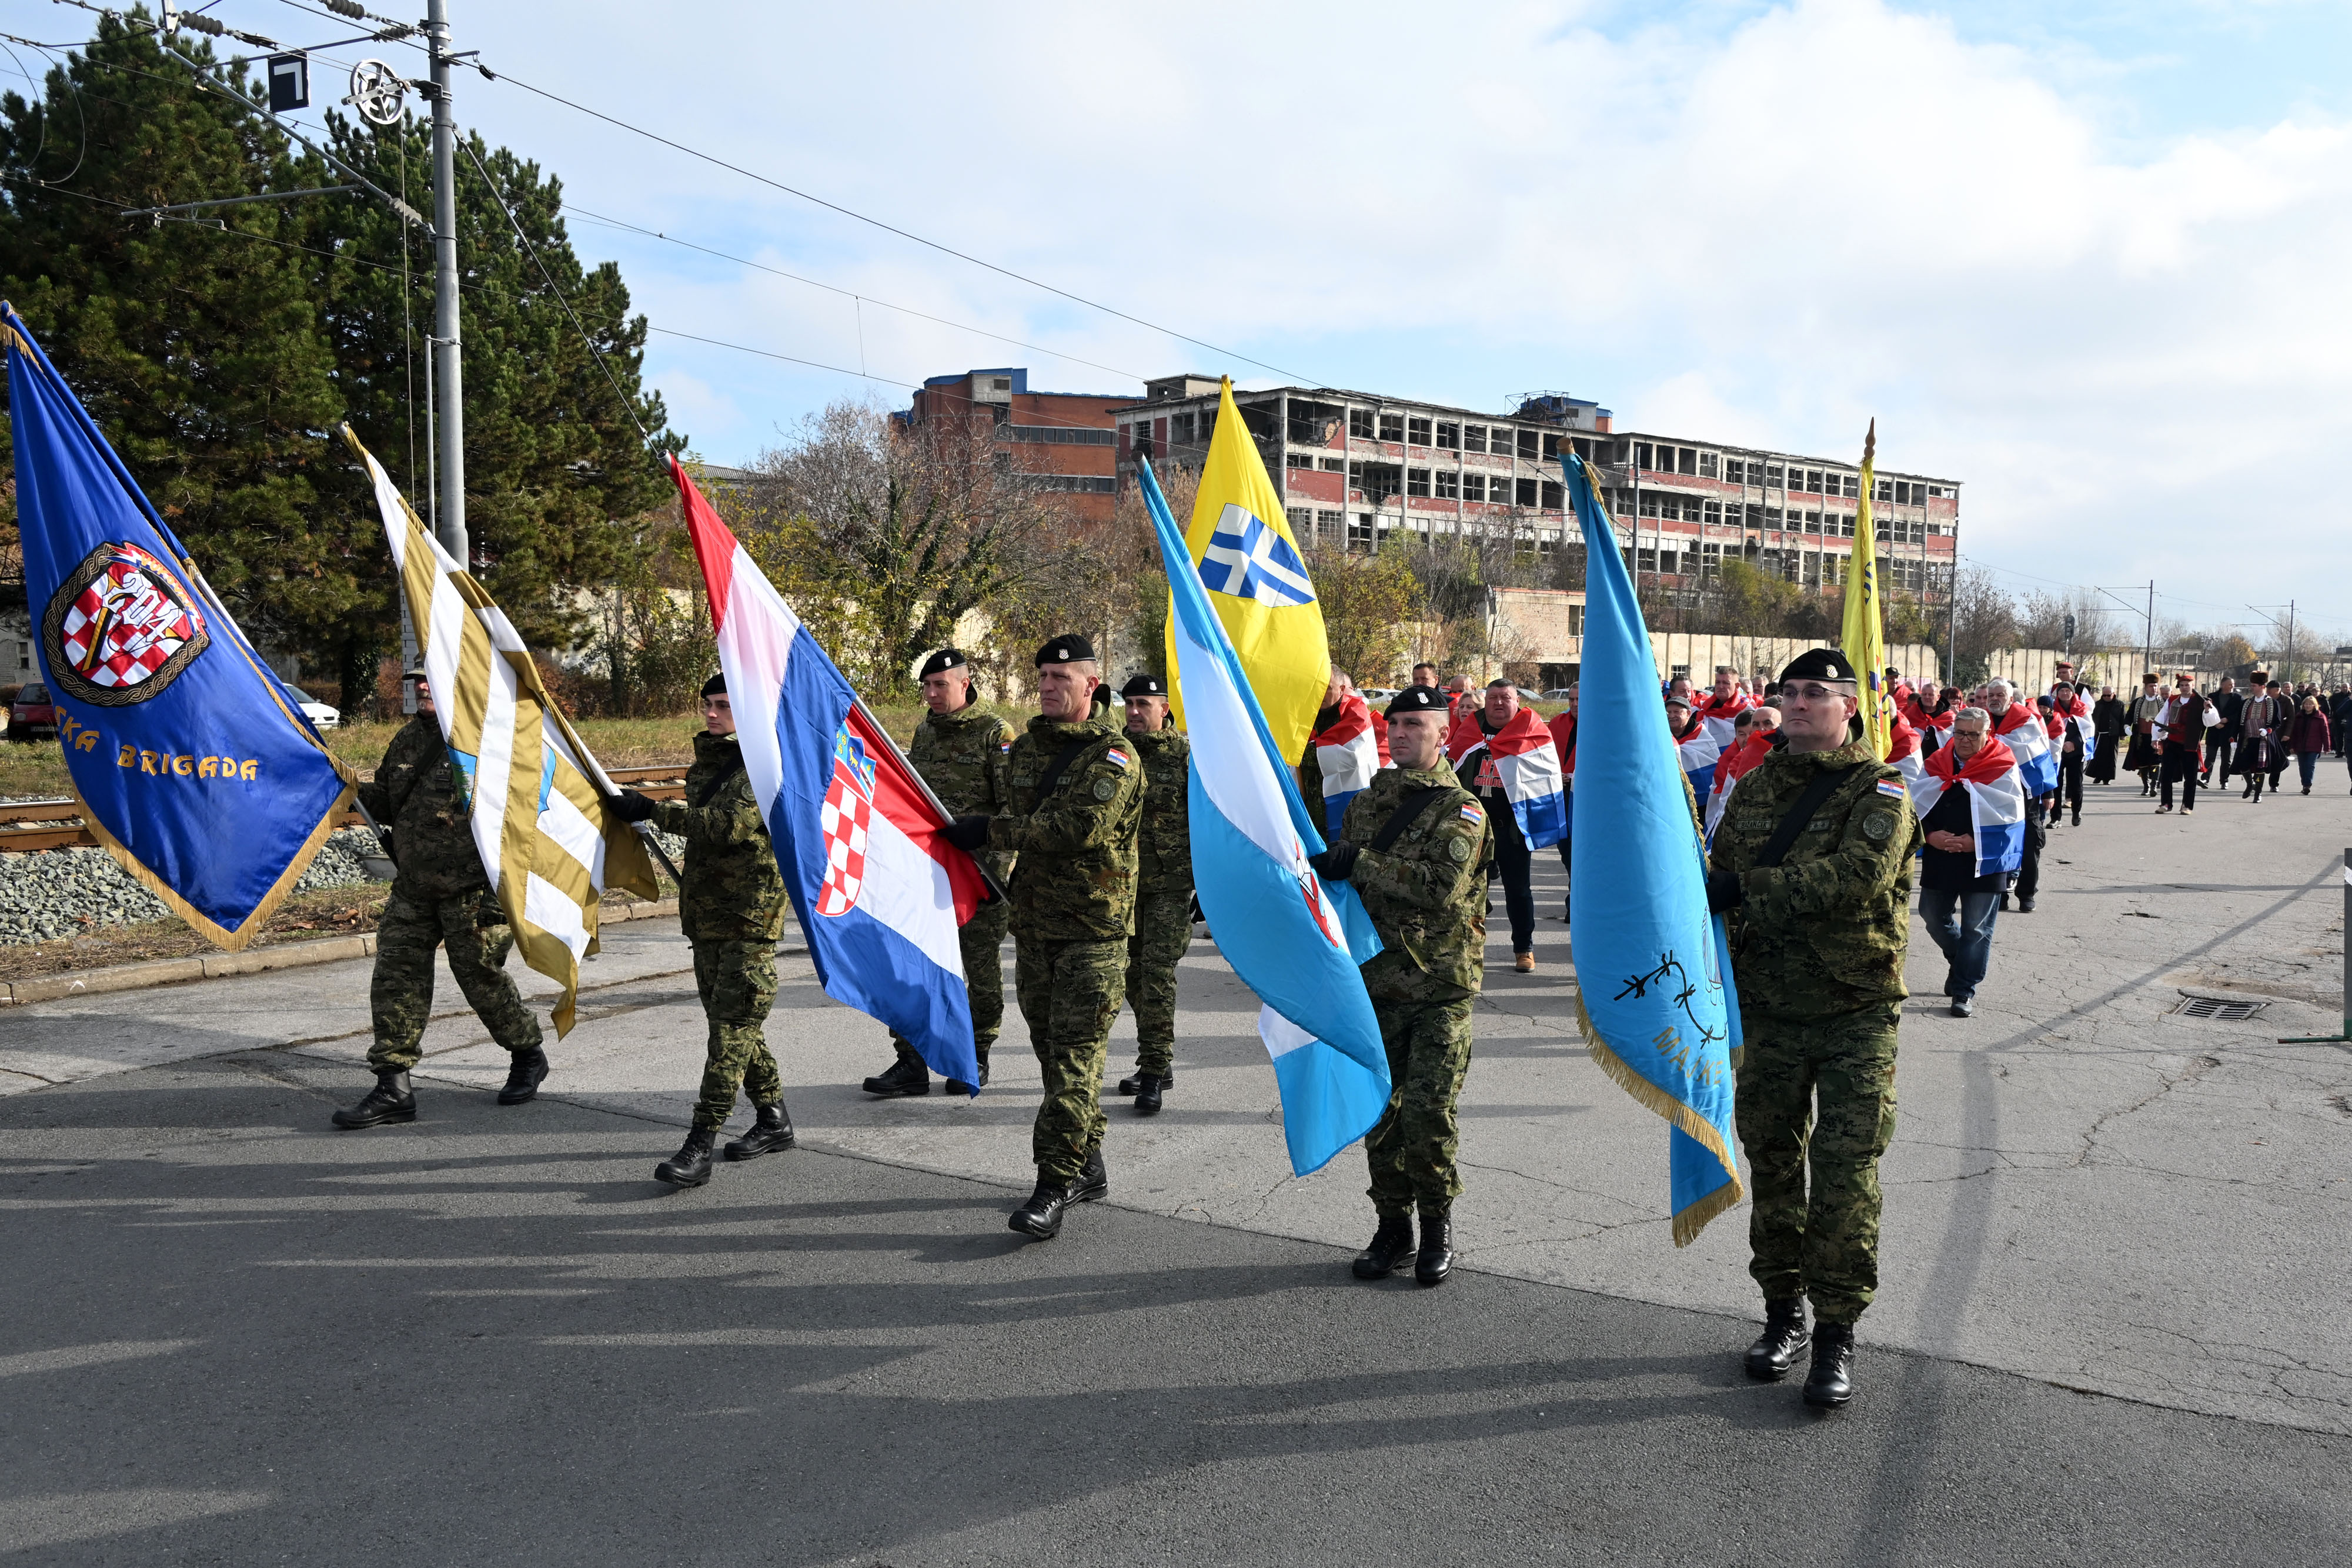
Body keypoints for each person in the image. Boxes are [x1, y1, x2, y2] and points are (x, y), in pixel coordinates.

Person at [1706, 648, 1918, 1408]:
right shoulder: (1755, 786)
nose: (1798, 703)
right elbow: (1716, 873)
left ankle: (1836, 1332)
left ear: (1849, 706)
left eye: (1816, 693)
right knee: (1773, 1164)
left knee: (1844, 1173)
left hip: (1855, 1009)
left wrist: (1744, 887)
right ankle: (1781, 1314)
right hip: (1769, 1008)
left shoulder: (1881, 788)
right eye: (1789, 692)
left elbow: (1857, 879)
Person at [940, 636, 1142, 1239]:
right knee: (1054, 1056)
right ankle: (1088, 1164)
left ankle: (1053, 1182)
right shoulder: (1026, 748)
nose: (1049, 686)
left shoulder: (1116, 757)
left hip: (1093, 933)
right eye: (1044, 677)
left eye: (1062, 677)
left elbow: (1078, 828)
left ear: (1091, 685)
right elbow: (1007, 807)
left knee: (1076, 1058)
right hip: (1034, 928)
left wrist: (990, 831)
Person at [1309, 685, 1492, 1288]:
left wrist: (1358, 862)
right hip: (1375, 983)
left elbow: (1438, 885)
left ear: (1445, 732)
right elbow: (1345, 888)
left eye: (1416, 723)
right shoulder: (1367, 804)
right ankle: (1393, 1226)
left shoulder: (1462, 808)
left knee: (1427, 1112)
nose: (1402, 733)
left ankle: (1437, 1227)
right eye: (1395, 724)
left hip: (1439, 986)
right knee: (1380, 1114)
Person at [332, 669, 548, 1130]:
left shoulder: (485, 740)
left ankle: (528, 1053)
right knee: (396, 978)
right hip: (414, 887)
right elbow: (386, 802)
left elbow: (521, 811)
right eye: (417, 681)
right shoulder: (407, 740)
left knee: (480, 977)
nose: (422, 688)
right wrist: (344, 784)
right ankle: (393, 1085)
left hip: (473, 890)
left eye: (431, 679)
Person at [604, 675, 797, 1182]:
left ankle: (700, 1144)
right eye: (708, 704)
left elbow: (726, 825)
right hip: (708, 915)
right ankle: (774, 1118)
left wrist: (651, 809)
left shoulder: (764, 763)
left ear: (747, 711)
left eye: (724, 705)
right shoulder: (705, 764)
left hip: (751, 918)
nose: (711, 713)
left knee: (730, 1032)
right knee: (731, 1025)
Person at [863, 648, 1013, 1098]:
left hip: (978, 875)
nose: (931, 694)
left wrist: (996, 870)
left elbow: (1013, 809)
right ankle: (910, 1060)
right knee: (912, 965)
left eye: (939, 685)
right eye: (926, 686)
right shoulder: (925, 732)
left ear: (965, 684)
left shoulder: (996, 733)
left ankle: (975, 1053)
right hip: (927, 876)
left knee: (980, 971)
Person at [1111, 673, 1191, 1115]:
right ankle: (1158, 1058)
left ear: (1165, 709)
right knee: (1128, 973)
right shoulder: (1115, 752)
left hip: (1169, 886)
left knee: (1157, 975)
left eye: (1144, 703)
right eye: (1129, 704)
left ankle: (1155, 1070)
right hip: (1121, 884)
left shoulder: (1186, 758)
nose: (1135, 711)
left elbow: (1210, 822)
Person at [1914, 707, 2016, 1018]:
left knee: (1977, 928)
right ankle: (1961, 961)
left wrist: (1977, 842)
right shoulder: (1936, 763)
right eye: (1960, 733)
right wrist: (1929, 836)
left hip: (1985, 858)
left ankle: (1964, 988)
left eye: (1974, 734)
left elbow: (2012, 817)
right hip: (1941, 852)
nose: (1965, 740)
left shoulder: (2002, 764)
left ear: (1988, 734)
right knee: (1931, 914)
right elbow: (1916, 805)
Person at [1446, 678, 1545, 972]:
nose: (1499, 703)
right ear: (1485, 701)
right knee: (1468, 891)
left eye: (1506, 697)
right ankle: (1466, 948)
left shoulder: (1529, 732)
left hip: (1511, 830)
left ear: (1517, 701)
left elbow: (1544, 778)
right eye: (1493, 697)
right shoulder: (1470, 731)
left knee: (1519, 892)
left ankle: (1524, 949)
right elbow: (1452, 770)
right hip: (1473, 828)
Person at [1982, 681, 2048, 912]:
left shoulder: (2027, 720)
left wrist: (2048, 792)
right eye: (1991, 695)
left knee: (2029, 844)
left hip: (2025, 791)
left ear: (2011, 699)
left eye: (2000, 695)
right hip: (1993, 790)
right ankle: (1999, 893)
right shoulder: (1981, 721)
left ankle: (2027, 894)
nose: (1995, 699)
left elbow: (2041, 754)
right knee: (1998, 842)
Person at [1705, 704, 1779, 841]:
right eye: (1756, 725)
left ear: (1781, 726)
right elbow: (1726, 800)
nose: (1761, 729)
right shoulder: (1735, 760)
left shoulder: (1795, 751)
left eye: (1768, 723)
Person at [2154, 674, 2217, 815]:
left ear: (2193, 685)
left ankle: (2187, 806)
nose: (2184, 688)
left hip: (2191, 744)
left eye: (2187, 685)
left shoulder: (2202, 701)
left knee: (2190, 778)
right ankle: (2166, 804)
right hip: (2172, 742)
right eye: (2182, 685)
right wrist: (2155, 738)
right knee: (2166, 775)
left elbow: (2213, 721)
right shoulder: (2172, 700)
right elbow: (2162, 718)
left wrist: (2207, 710)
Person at [1546, 685, 1576, 922]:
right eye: (1571, 699)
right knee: (1566, 851)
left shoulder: (1601, 723)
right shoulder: (1557, 723)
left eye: (1580, 699)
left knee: (1579, 853)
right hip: (1560, 793)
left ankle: (1575, 903)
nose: (1575, 704)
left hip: (1585, 796)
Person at [2046, 681, 2090, 828]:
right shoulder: (2053, 709)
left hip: (2076, 752)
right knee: (2056, 784)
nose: (2065, 693)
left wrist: (2074, 743)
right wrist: (2059, 744)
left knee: (2076, 784)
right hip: (2056, 751)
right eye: (2062, 691)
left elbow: (2088, 730)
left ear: (2073, 693)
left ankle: (2076, 812)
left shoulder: (2082, 709)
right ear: (2057, 694)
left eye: (2068, 691)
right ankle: (2055, 818)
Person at [2237, 675, 2288, 801]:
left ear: (2262, 687)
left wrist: (2267, 730)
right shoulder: (2247, 703)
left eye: (2254, 686)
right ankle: (2250, 784)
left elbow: (2277, 722)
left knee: (2261, 768)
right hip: (2248, 739)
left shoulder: (2273, 703)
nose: (2252, 688)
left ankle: (2258, 793)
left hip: (2263, 740)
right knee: (2242, 764)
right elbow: (2239, 722)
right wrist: (2234, 738)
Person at [2123, 673, 2166, 795]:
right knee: (2143, 762)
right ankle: (2146, 786)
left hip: (2157, 737)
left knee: (2156, 761)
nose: (2154, 688)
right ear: (2146, 687)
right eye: (2151, 686)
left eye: (2156, 686)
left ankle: (2154, 785)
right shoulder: (2137, 702)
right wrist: (2126, 726)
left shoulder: (2164, 702)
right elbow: (2129, 717)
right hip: (2141, 737)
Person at [2288, 694, 2333, 796]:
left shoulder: (2320, 717)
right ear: (2303, 705)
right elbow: (2294, 733)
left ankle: (2307, 785)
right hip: (2300, 746)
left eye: (2310, 704)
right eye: (2306, 704)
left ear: (2314, 705)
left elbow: (2325, 733)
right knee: (2302, 767)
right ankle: (2304, 784)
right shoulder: (2299, 717)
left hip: (2314, 746)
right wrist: (2291, 746)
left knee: (2309, 765)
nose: (2308, 706)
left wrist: (2327, 747)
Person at [2205, 676, 2243, 788]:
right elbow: (2207, 712)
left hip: (2228, 732)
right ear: (2222, 685)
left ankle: (2224, 780)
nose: (2232, 686)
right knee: (2210, 757)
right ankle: (2205, 778)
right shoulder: (2212, 697)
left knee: (2226, 759)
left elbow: (2240, 714)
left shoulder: (2237, 698)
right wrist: (2215, 722)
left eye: (2233, 684)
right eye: (2230, 684)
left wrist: (2228, 719)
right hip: (2214, 731)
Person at [2088, 684, 2124, 786]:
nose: (2106, 697)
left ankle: (2107, 778)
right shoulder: (2097, 705)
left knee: (2111, 758)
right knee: (2098, 757)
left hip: (2113, 735)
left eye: (2109, 695)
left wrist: (2123, 734)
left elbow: (2123, 719)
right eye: (2104, 695)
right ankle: (2098, 776)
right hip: (2099, 735)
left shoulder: (2120, 705)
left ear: (2113, 694)